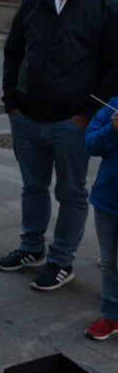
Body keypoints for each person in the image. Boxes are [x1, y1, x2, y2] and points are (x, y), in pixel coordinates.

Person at [0, 0, 118, 291]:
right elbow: (13, 53)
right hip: (27, 117)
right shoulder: (33, 1)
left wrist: (89, 114)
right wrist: (12, 103)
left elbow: (114, 66)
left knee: (71, 193)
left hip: (72, 123)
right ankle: (32, 247)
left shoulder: (107, 3)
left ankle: (61, 260)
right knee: (32, 187)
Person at [83, 98, 118, 340]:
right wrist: (112, 129)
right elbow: (90, 144)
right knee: (108, 261)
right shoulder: (113, 106)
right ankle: (112, 314)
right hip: (107, 199)